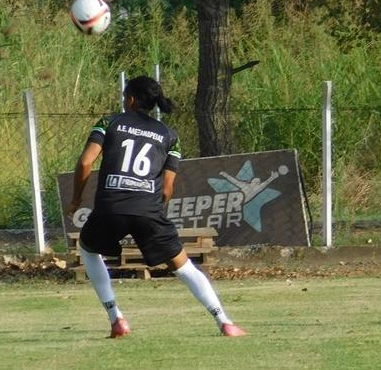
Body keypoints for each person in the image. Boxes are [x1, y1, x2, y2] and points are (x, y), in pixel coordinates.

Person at [67, 76, 247, 337]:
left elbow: (86, 162)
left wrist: (76, 199)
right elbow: (166, 189)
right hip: (148, 211)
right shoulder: (169, 136)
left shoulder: (109, 122)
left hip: (110, 208)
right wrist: (152, 214)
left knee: (88, 249)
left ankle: (116, 318)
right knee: (184, 267)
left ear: (130, 99)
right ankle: (225, 322)